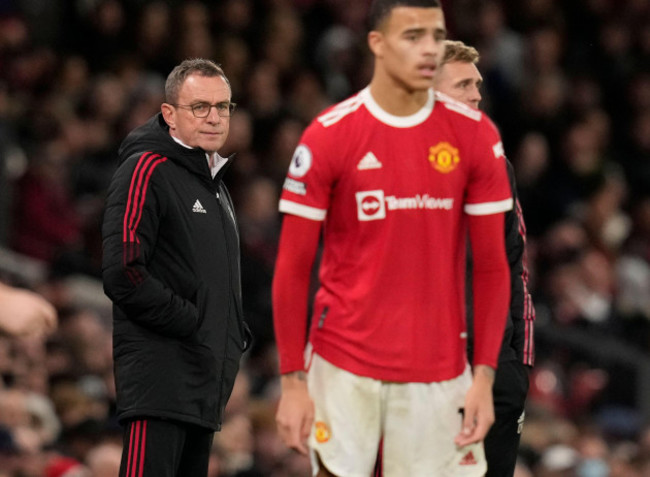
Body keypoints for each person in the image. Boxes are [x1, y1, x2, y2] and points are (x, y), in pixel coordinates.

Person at [272, 1, 514, 475]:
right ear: (377, 45)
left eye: (437, 35)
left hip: (440, 370)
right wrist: (292, 381)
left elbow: (491, 266)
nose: (429, 48)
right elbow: (291, 268)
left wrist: (483, 375)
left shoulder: (477, 136)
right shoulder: (328, 135)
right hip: (342, 363)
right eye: (413, 36)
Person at [101, 58, 251, 477]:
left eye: (223, 107)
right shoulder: (146, 168)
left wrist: (230, 332)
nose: (214, 117)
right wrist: (192, 321)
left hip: (203, 385)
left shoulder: (214, 185)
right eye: (199, 107)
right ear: (168, 114)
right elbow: (123, 271)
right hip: (161, 380)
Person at [433, 39, 535, 477]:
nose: (477, 94)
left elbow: (516, 265)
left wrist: (517, 363)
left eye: (477, 84)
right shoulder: (386, 164)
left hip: (496, 370)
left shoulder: (499, 167)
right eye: (463, 85)